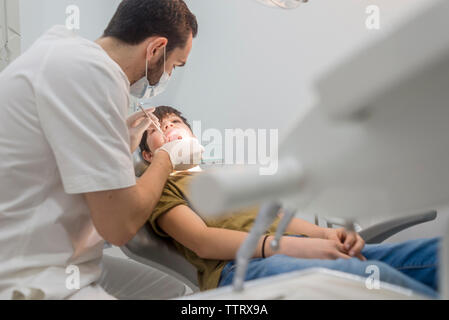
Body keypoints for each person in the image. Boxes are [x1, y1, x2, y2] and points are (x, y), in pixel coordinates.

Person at [0, 0, 203, 300]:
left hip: (57, 256)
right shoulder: (94, 74)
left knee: (176, 293)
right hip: (32, 275)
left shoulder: (66, 55)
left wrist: (118, 138)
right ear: (156, 48)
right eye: (175, 65)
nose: (170, 73)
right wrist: (167, 158)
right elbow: (119, 227)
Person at [139, 106, 440, 299]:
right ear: (149, 156)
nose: (168, 128)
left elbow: (276, 216)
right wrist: (295, 247)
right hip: (240, 266)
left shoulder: (228, 178)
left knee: (436, 255)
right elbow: (202, 242)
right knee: (376, 280)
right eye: (155, 129)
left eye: (175, 122)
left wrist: (326, 235)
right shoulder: (163, 188)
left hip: (292, 243)